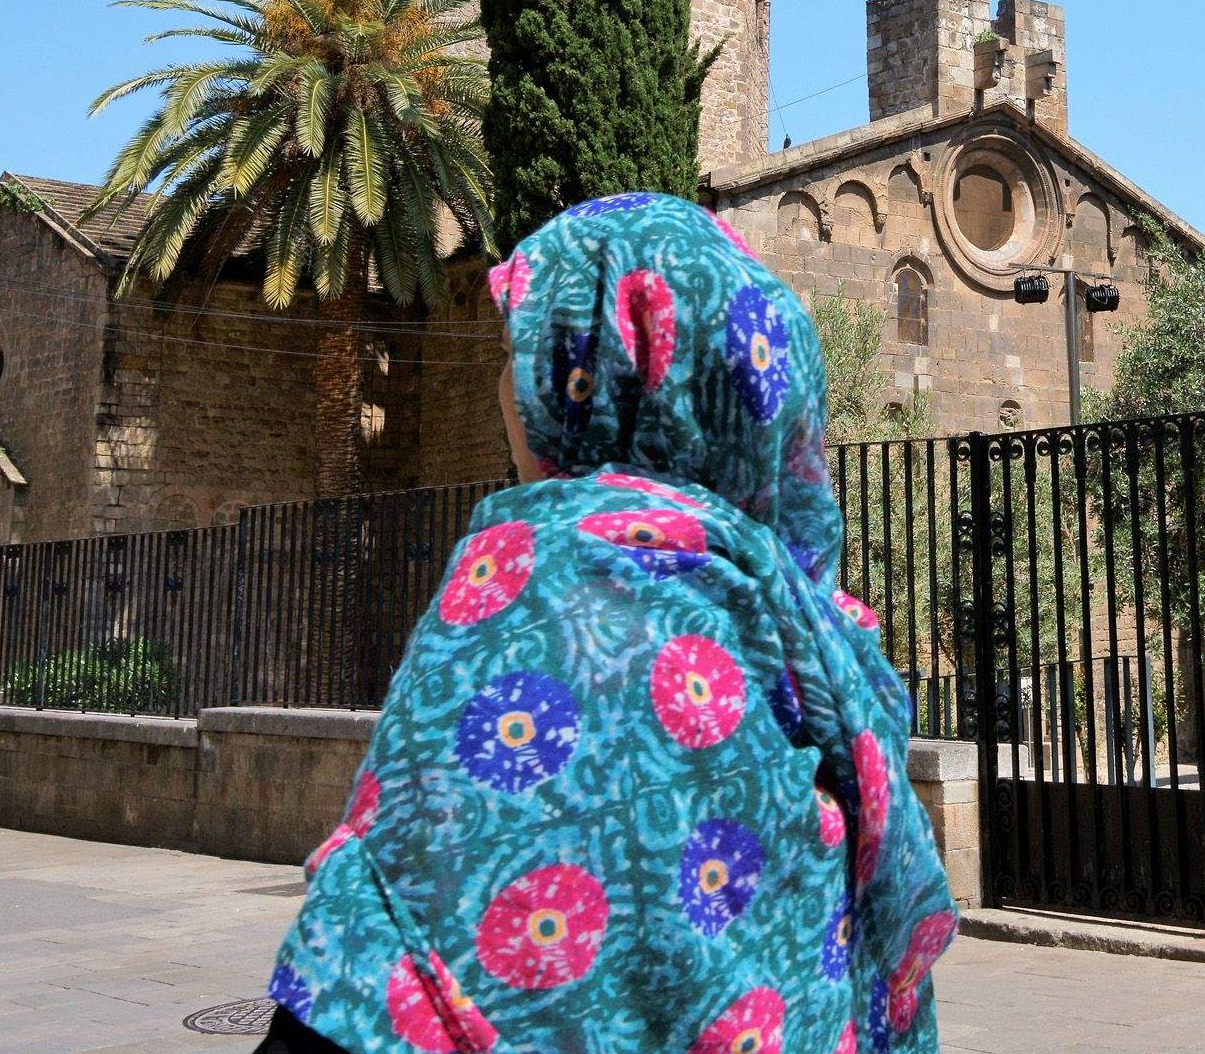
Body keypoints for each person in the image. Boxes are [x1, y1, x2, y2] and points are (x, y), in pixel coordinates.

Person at [255, 192, 956, 1054]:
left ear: (597, 383)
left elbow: (379, 977)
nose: (498, 392)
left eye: (521, 357)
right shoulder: (825, 650)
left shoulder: (533, 593)